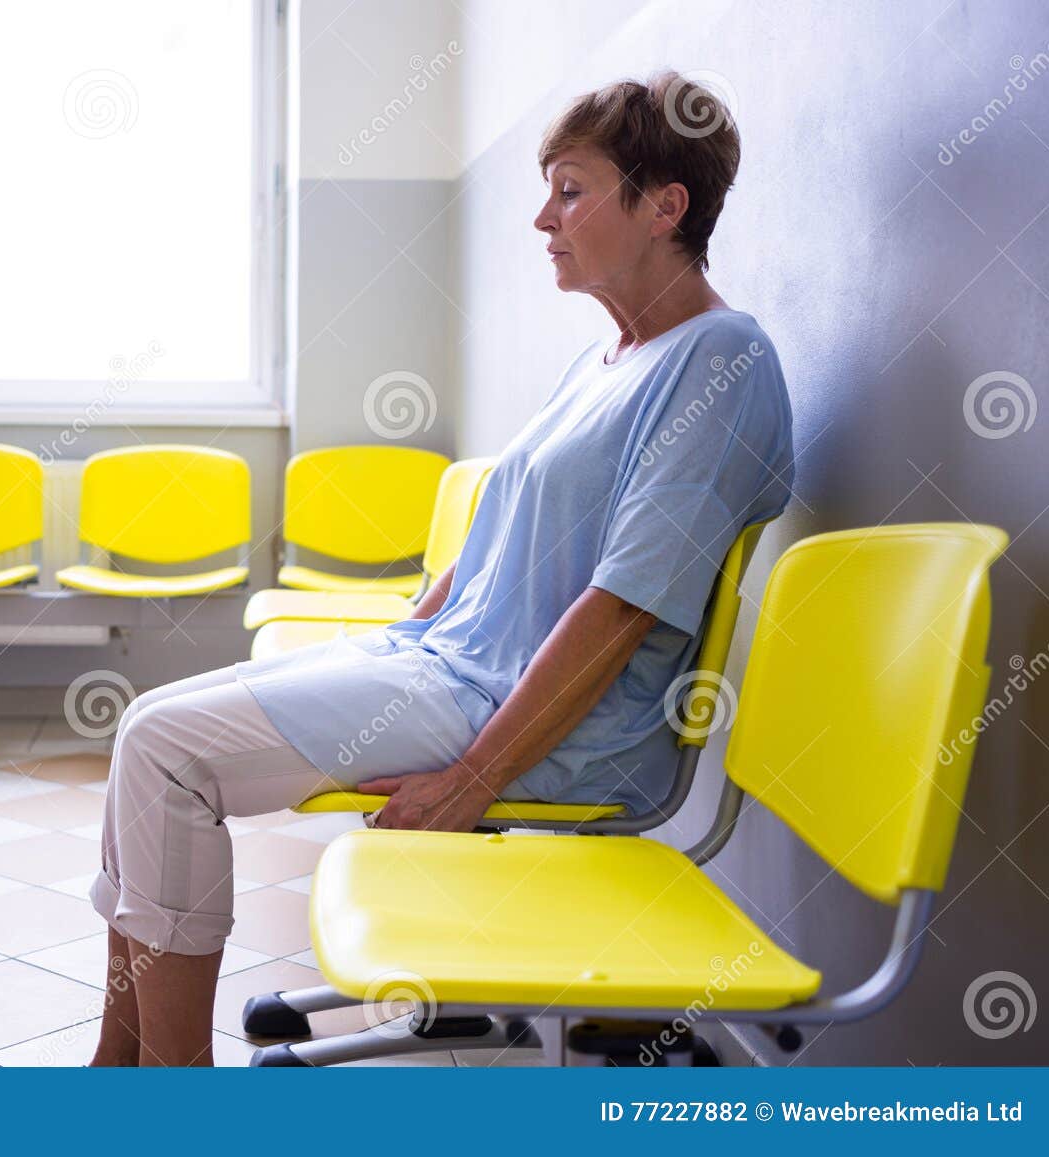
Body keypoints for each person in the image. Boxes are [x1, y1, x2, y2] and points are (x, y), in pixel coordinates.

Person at [86, 71, 794, 1066]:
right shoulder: (604, 362)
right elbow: (501, 540)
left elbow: (625, 605)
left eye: (571, 190)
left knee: (167, 750)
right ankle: (119, 1071)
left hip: (533, 716)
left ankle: (160, 1085)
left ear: (664, 207)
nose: (541, 217)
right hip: (445, 663)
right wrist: (394, 631)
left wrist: (474, 778)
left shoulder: (720, 361)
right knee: (143, 732)